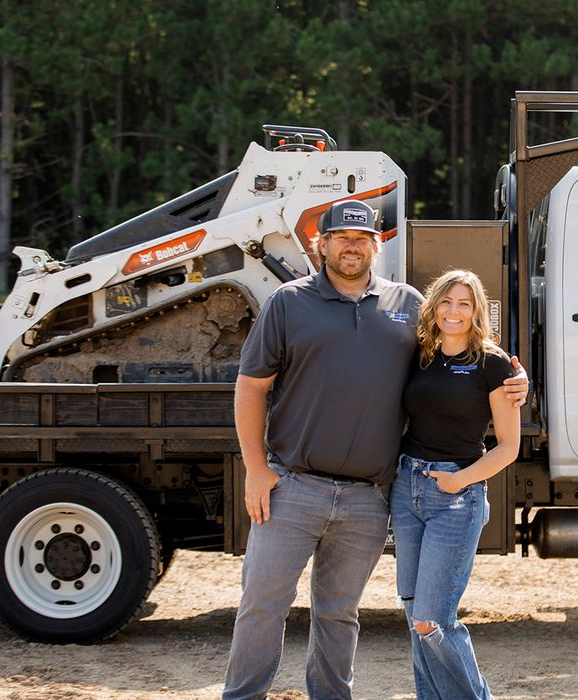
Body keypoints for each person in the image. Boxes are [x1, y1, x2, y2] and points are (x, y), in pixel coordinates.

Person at [223, 201, 525, 700]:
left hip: (370, 498)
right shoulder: (289, 302)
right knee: (262, 604)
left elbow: (460, 353)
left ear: (376, 246)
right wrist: (256, 468)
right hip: (293, 487)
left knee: (339, 613)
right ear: (321, 244)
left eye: (362, 238)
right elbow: (251, 387)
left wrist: (517, 383)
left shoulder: (406, 305)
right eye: (341, 237)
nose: (352, 246)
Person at [392, 269, 521, 700]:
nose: (454, 311)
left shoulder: (493, 363)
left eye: (464, 303)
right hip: (407, 488)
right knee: (415, 616)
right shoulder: (420, 355)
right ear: (434, 306)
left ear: (476, 310)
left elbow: (507, 448)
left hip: (456, 497)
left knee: (433, 619)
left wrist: (458, 481)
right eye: (446, 301)